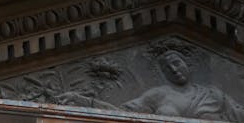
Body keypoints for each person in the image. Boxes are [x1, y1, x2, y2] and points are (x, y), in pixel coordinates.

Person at [59, 49, 244, 121]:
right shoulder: (157, 95)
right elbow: (120, 113)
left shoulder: (214, 95)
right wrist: (83, 101)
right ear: (163, 74)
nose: (173, 69)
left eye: (177, 62)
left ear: (188, 64)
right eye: (167, 67)